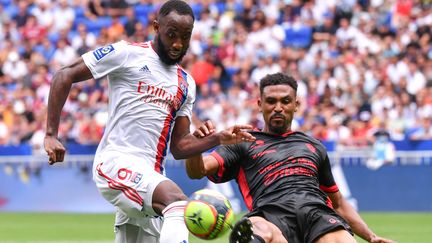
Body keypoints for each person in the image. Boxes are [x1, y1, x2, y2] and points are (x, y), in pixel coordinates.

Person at [44, 1, 255, 243]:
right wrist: (51, 133)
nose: (178, 43)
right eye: (171, 34)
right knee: (177, 203)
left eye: (185, 37)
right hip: (116, 162)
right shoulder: (127, 54)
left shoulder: (186, 83)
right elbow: (64, 75)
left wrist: (217, 138)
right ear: (157, 27)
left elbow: (180, 147)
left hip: (151, 178)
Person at [186, 73, 394, 243]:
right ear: (260, 104)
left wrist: (371, 236)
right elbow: (197, 171)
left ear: (296, 105)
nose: (278, 107)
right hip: (271, 217)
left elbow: (338, 204)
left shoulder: (314, 146)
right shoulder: (243, 140)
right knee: (250, 231)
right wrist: (198, 145)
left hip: (317, 216)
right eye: (271, 101)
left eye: (285, 101)